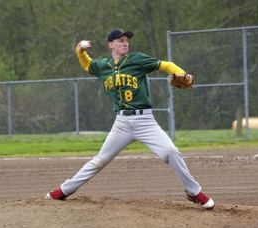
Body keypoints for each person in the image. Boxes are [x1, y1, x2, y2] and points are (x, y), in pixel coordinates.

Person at [45, 29, 214, 210]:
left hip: (145, 121)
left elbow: (166, 65)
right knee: (100, 160)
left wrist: (181, 74)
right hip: (121, 123)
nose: (125, 43)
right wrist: (80, 51)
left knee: (171, 152)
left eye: (126, 40)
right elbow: (88, 65)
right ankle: (64, 191)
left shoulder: (136, 60)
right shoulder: (104, 66)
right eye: (120, 40)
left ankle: (194, 192)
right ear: (111, 45)